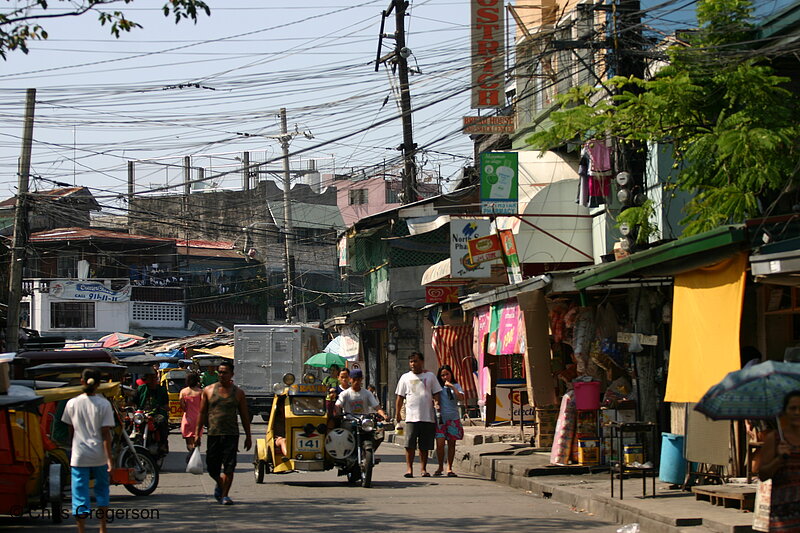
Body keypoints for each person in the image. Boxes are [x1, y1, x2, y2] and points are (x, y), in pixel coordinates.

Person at [61, 368, 114, 533]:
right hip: (99, 455)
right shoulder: (104, 404)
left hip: (79, 455)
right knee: (102, 491)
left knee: (79, 495)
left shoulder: (72, 403)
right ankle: (102, 528)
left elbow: (71, 431)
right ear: (99, 384)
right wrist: (110, 461)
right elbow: (106, 435)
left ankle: (81, 529)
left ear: (82, 381)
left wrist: (74, 446)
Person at [195, 361, 252, 506]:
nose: (222, 375)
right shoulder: (208, 390)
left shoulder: (238, 393)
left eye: (225, 372)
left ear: (232, 374)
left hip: (231, 434)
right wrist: (197, 434)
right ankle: (220, 483)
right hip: (213, 434)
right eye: (220, 372)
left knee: (229, 466)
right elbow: (201, 413)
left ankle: (225, 495)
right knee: (212, 467)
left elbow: (244, 415)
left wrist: (248, 436)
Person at [756, 390, 800, 531]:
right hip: (784, 514)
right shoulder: (775, 439)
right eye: (793, 408)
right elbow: (762, 475)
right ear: (785, 411)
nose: (797, 412)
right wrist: (779, 459)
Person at [395, 351, 442, 478]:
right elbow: (399, 397)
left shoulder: (430, 376)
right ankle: (409, 469)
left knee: (424, 446)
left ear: (422, 362)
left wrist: (437, 402)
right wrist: (397, 414)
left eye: (415, 361)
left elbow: (436, 392)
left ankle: (423, 469)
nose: (413, 364)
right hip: (411, 417)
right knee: (409, 445)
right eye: (411, 361)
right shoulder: (405, 377)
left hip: (427, 416)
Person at [433, 365, 465, 477]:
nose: (445, 377)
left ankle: (449, 467)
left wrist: (452, 387)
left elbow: (461, 397)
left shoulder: (456, 386)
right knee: (440, 443)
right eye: (442, 375)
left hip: (453, 418)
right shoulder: (438, 388)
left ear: (451, 374)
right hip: (441, 419)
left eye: (447, 374)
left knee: (452, 443)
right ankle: (440, 466)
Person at [133, 369, 169, 454]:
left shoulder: (162, 389)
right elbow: (134, 401)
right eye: (151, 378)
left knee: (162, 422)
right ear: (146, 379)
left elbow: (165, 405)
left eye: (154, 377)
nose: (153, 380)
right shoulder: (141, 388)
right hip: (142, 414)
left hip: (157, 413)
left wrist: (164, 408)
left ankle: (163, 444)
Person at [179, 372, 204, 461]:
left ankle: (191, 453)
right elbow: (203, 406)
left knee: (188, 441)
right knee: (197, 439)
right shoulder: (201, 392)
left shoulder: (183, 391)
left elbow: (183, 407)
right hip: (198, 419)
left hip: (187, 418)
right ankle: (195, 455)